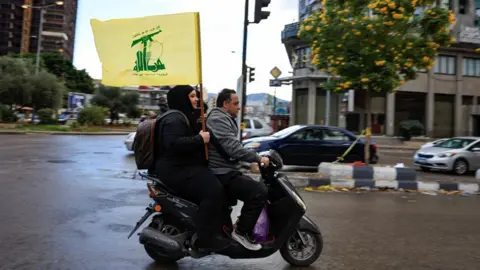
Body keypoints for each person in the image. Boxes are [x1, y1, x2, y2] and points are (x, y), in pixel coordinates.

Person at [154, 85, 230, 252]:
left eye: (196, 96)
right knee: (214, 192)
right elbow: (173, 144)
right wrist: (199, 139)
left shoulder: (183, 116)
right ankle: (205, 238)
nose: (196, 99)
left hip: (185, 166)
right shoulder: (174, 118)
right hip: (176, 170)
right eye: (192, 96)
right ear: (182, 99)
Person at [206, 88, 269, 251]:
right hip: (221, 173)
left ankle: (235, 228)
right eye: (236, 104)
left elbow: (230, 150)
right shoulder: (218, 118)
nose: (239, 107)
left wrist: (247, 163)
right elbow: (232, 148)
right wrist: (257, 158)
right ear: (226, 104)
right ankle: (242, 231)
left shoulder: (223, 117)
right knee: (258, 191)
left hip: (227, 169)